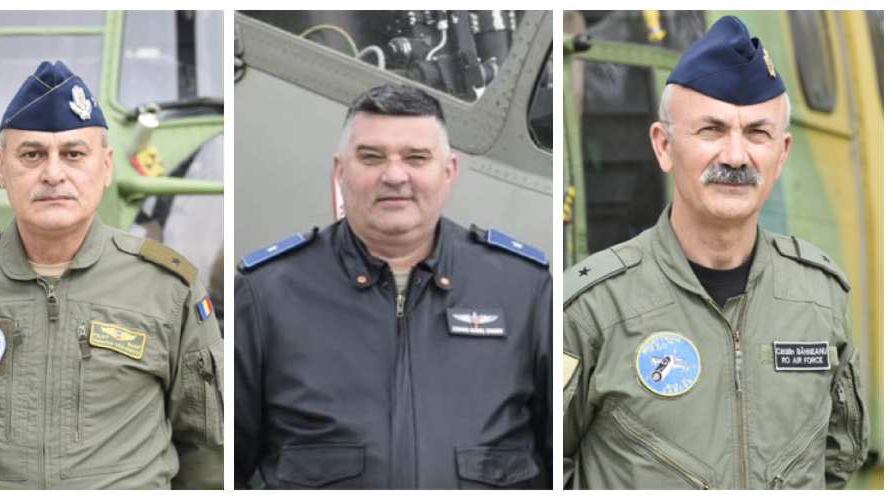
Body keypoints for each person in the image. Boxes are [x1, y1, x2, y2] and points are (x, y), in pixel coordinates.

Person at [562, 16, 868, 489]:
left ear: (782, 154)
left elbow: (837, 459)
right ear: (664, 146)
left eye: (758, 134)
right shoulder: (591, 309)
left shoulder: (819, 298)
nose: (736, 156)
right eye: (711, 130)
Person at [0, 61, 223, 489]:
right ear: (1, 168)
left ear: (105, 167)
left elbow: (205, 448)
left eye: (73, 154)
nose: (53, 174)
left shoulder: (168, 289)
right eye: (32, 155)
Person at [235, 83, 551, 489]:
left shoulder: (523, 291)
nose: (395, 176)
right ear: (340, 172)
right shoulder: (268, 294)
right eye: (371, 157)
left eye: (416, 158)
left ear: (449, 172)